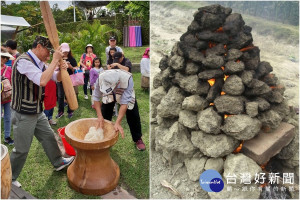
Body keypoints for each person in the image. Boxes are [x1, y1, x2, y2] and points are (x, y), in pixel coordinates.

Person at [10, 36, 74, 188]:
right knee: (21, 149)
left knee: (48, 137)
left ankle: (58, 162)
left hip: (37, 110)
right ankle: (9, 178)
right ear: (38, 46)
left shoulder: (40, 63)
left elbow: (54, 77)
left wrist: (61, 69)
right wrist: (54, 61)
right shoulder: (23, 61)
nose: (50, 54)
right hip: (23, 113)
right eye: (48, 51)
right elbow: (42, 80)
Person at [93, 65, 146, 151]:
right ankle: (103, 136)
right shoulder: (101, 77)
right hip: (109, 95)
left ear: (117, 83)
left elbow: (124, 103)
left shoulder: (128, 78)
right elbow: (96, 97)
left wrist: (118, 122)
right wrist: (99, 116)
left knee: (133, 114)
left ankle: (137, 139)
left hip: (124, 92)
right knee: (104, 114)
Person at [56, 43, 77, 119]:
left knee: (69, 95)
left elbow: (76, 69)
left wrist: (71, 67)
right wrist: (58, 66)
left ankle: (70, 111)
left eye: (67, 51)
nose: (65, 53)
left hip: (70, 79)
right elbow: (54, 69)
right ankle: (60, 111)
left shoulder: (72, 59)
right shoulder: (57, 58)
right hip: (60, 80)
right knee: (60, 96)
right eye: (64, 51)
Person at [1, 51, 14, 145]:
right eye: (3, 57)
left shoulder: (9, 69)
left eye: (7, 58)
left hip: (7, 97)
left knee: (8, 117)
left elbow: (12, 82)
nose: (5, 59)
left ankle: (7, 137)